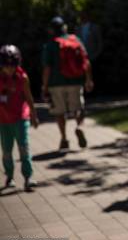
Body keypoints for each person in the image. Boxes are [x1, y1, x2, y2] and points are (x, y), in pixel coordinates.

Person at [42, 16, 94, 150]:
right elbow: (86, 61)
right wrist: (88, 79)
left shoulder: (51, 44)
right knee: (78, 109)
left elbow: (47, 68)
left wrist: (45, 86)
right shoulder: (75, 40)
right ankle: (79, 127)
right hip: (75, 81)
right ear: (64, 27)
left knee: (59, 112)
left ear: (51, 30)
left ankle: (64, 138)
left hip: (56, 83)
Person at [0, 45, 39, 191]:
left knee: (24, 147)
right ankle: (9, 176)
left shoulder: (22, 77)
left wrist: (34, 115)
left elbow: (29, 98)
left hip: (21, 118)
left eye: (13, 66)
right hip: (3, 120)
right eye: (6, 66)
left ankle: (28, 177)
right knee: (7, 151)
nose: (10, 69)